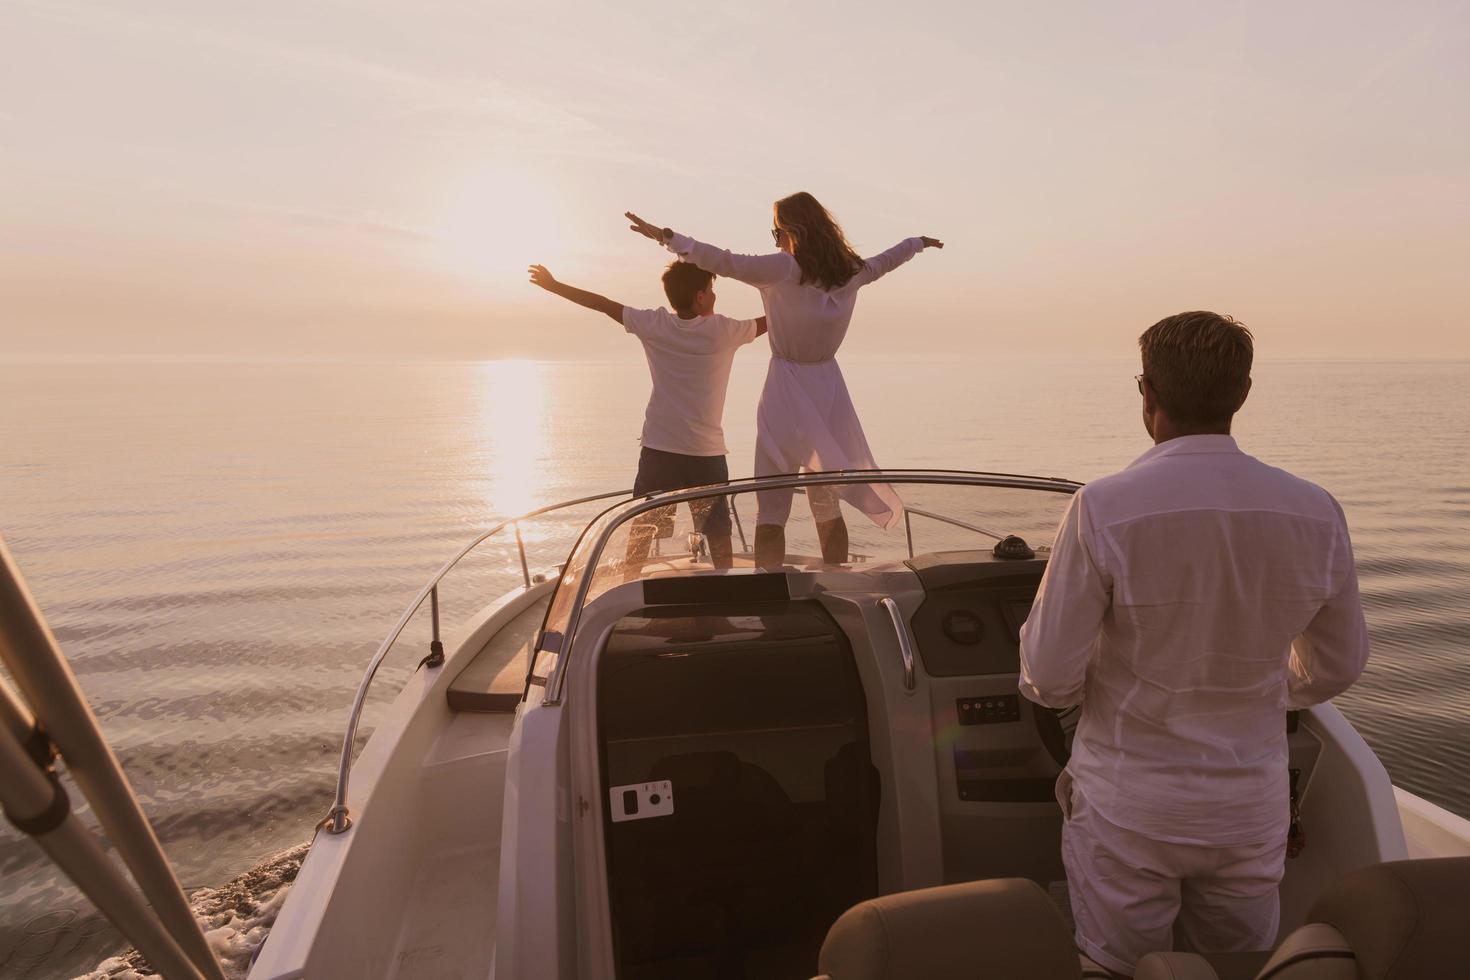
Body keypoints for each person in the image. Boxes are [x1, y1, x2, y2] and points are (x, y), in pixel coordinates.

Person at [1017, 311, 1370, 976]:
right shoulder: (1316, 510)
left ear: (1147, 393)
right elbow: (1341, 662)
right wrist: (1265, 685)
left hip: (1129, 809)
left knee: (1121, 969)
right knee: (1239, 965)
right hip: (1247, 809)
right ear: (1242, 392)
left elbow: (1046, 676)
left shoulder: (1104, 508)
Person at [625, 193, 942, 568]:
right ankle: (836, 578)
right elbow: (887, 260)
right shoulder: (850, 271)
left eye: (777, 233)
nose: (776, 241)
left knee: (772, 502)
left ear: (793, 231)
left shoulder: (783, 268)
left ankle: (768, 587)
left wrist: (667, 237)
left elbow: (723, 261)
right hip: (828, 388)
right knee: (824, 498)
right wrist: (917, 244)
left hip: (786, 387)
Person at [527, 261, 766, 569]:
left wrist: (555, 285)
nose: (714, 296)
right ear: (700, 297)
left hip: (660, 448)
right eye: (711, 290)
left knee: (642, 529)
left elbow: (603, 305)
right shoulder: (725, 331)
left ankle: (629, 583)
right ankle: (725, 589)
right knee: (718, 532)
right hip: (705, 452)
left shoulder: (655, 325)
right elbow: (774, 319)